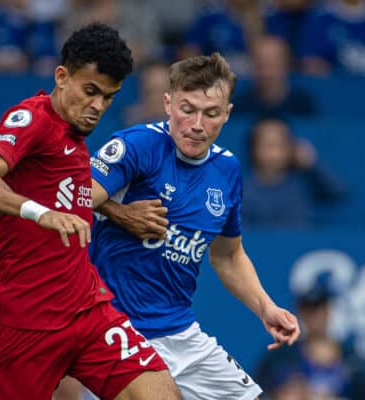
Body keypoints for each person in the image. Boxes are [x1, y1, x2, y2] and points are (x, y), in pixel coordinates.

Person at [0, 23, 180, 400]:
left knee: (161, 394)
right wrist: (39, 213)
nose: (98, 107)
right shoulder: (32, 119)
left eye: (109, 97)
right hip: (27, 325)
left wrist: (120, 213)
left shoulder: (73, 137)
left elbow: (69, 194)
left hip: (88, 310)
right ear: (62, 76)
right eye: (90, 91)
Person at [89, 53, 301, 400]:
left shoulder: (227, 170)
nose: (198, 123)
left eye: (211, 113)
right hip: (119, 328)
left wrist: (266, 307)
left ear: (227, 114)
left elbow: (228, 256)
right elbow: (73, 197)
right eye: (188, 109)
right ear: (168, 103)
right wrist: (121, 213)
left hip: (181, 332)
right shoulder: (139, 145)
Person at [255, 285, 365, 399]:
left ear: (328, 310)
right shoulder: (282, 355)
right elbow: (257, 392)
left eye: (318, 309)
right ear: (300, 313)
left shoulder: (351, 357)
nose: (314, 316)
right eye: (308, 310)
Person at [241, 117, 347, 228]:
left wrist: (314, 166)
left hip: (305, 244)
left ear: (292, 147)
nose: (273, 152)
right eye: (267, 145)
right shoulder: (242, 192)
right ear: (253, 149)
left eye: (279, 144)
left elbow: (338, 194)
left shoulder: (305, 183)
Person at [231, 35, 317, 117]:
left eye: (273, 64)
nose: (267, 73)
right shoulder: (239, 107)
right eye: (261, 65)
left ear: (286, 65)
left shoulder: (302, 105)